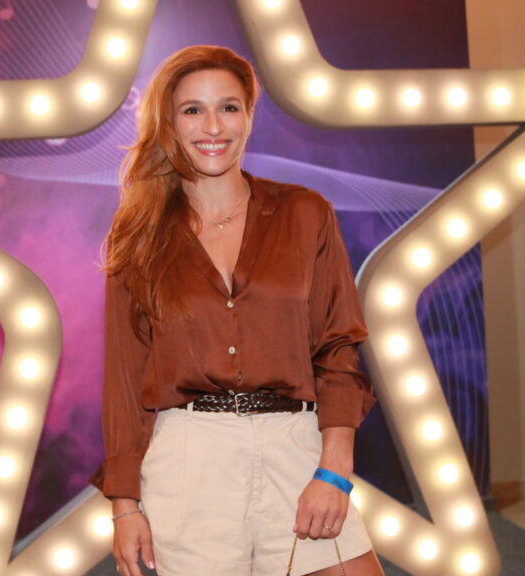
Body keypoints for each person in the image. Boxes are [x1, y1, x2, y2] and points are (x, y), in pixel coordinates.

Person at [101, 45, 383, 576]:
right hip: (190, 461)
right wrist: (125, 507)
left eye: (228, 107)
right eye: (192, 110)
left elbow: (338, 348)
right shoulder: (138, 233)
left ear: (250, 115)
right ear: (168, 122)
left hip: (296, 448)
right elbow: (124, 378)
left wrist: (335, 469)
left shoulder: (305, 213)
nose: (213, 126)